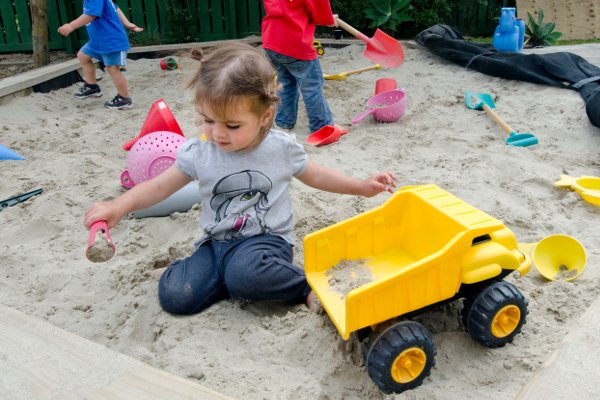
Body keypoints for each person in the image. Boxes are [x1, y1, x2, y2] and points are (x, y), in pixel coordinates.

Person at [83, 42, 396, 315]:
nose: (217, 133)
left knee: (247, 275)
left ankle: (303, 288)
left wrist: (361, 187)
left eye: (232, 126)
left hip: (264, 245)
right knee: (176, 296)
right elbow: (159, 186)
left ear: (263, 117)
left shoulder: (279, 148)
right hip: (214, 244)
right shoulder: (199, 152)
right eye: (208, 120)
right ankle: (210, 276)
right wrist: (118, 207)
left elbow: (317, 175)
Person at [261, 0, 338, 133]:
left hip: (272, 39)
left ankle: (285, 121)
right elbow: (320, 10)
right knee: (312, 87)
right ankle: (322, 126)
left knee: (285, 82)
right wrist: (328, 19)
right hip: (295, 43)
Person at [58, 0, 143, 110]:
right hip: (97, 41)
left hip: (111, 40)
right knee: (83, 56)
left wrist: (71, 25)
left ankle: (124, 99)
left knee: (112, 68)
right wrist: (126, 23)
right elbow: (115, 7)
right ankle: (92, 86)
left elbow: (91, 15)